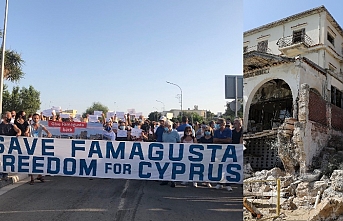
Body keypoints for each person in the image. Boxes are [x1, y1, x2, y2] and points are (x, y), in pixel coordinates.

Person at [29, 113, 52, 185]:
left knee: (39, 160)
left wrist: (48, 134)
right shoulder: (30, 126)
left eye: (37, 118)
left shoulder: (41, 126)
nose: (35, 119)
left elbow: (48, 132)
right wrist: (26, 133)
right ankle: (32, 178)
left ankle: (39, 175)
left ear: (39, 119)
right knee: (31, 161)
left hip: (39, 145)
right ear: (32, 119)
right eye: (34, 118)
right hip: (31, 145)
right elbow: (26, 132)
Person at [0, 112, 21, 181]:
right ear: (4, 117)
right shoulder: (0, 125)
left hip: (9, 146)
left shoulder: (12, 125)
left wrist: (18, 133)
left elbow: (18, 130)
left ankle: (5, 174)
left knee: (6, 160)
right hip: (1, 146)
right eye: (8, 117)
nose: (10, 118)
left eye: (10, 117)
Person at [213, 118, 233, 191]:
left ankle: (228, 184)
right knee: (220, 167)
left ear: (223, 124)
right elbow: (214, 141)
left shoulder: (228, 131)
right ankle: (220, 183)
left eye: (218, 123)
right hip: (219, 152)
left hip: (227, 152)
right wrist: (222, 141)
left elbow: (228, 140)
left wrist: (219, 140)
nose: (217, 125)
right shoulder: (216, 131)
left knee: (227, 168)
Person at [160, 120, 180, 187]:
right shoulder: (164, 133)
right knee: (165, 165)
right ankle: (165, 180)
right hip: (166, 151)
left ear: (169, 126)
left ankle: (173, 180)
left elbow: (179, 141)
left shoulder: (175, 133)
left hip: (173, 151)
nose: (164, 127)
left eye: (166, 126)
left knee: (172, 166)